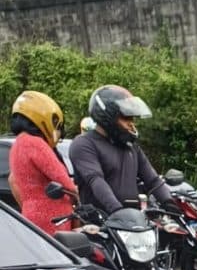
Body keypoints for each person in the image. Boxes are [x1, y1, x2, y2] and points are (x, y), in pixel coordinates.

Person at [69, 85, 174, 215]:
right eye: (125, 117)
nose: (131, 123)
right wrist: (118, 211)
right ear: (108, 116)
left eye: (132, 118)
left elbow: (153, 181)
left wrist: (170, 203)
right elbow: (96, 180)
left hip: (133, 218)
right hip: (100, 221)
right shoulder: (84, 144)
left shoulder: (131, 147)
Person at [8, 90, 77, 235]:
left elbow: (12, 180)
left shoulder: (17, 144)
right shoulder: (36, 143)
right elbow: (65, 182)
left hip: (30, 216)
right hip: (53, 218)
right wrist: (79, 195)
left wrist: (29, 204)